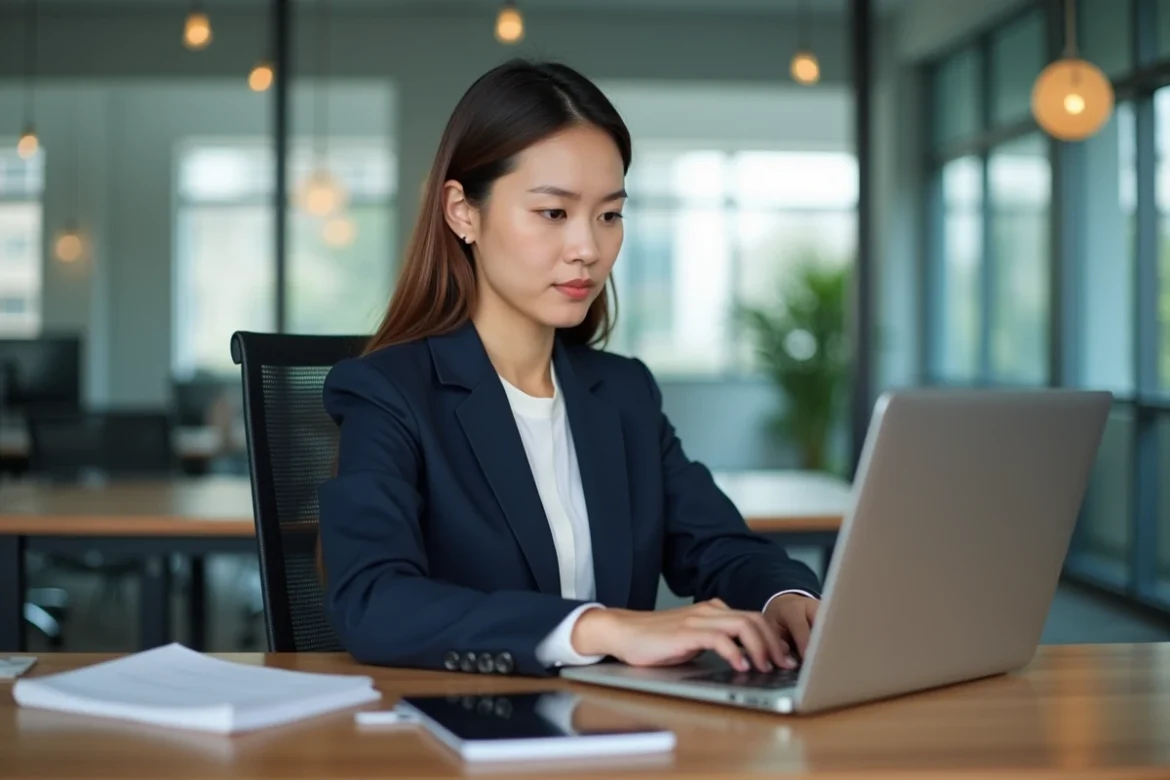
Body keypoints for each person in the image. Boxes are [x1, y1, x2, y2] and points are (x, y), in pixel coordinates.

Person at [319, 58, 822, 679]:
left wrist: (785, 599)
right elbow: (373, 601)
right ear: (462, 212)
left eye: (609, 215)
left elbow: (721, 547)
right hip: (460, 724)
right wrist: (598, 627)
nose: (588, 248)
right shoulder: (388, 393)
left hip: (611, 722)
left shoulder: (623, 394)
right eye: (553, 213)